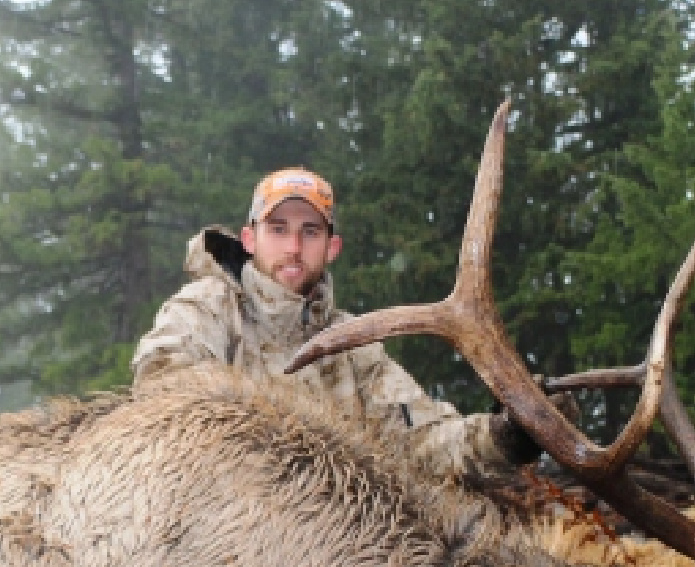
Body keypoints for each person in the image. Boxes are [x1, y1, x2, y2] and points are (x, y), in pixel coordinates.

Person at [132, 167, 546, 478]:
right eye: (278, 230)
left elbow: (420, 441)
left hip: (333, 555)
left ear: (332, 247)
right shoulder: (208, 306)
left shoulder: (354, 344)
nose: (293, 248)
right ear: (249, 239)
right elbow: (164, 390)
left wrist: (502, 436)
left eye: (309, 232)